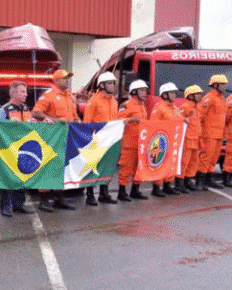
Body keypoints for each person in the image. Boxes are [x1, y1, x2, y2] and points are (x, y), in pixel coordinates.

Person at [32, 69, 80, 211]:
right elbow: (36, 113)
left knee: (62, 167)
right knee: (48, 167)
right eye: (65, 78)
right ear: (57, 80)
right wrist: (56, 120)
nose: (67, 80)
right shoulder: (48, 96)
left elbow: (74, 114)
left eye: (68, 78)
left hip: (67, 138)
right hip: (52, 138)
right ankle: (44, 200)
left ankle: (59, 198)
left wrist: (77, 120)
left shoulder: (70, 96)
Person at [0, 81, 36, 217]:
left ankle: (19, 204)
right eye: (22, 91)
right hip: (9, 148)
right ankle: (5, 206)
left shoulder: (25, 108)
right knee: (8, 178)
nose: (26, 94)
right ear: (13, 93)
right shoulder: (4, 109)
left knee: (22, 176)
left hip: (24, 148)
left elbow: (30, 125)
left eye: (25, 91)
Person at [82, 72, 119, 205]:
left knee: (107, 166)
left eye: (113, 83)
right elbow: (87, 121)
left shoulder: (114, 102)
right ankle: (90, 195)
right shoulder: (94, 101)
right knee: (93, 167)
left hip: (110, 140)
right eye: (109, 83)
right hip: (97, 140)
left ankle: (104, 193)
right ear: (102, 85)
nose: (112, 86)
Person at [116, 79, 149, 202]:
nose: (145, 92)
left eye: (145, 90)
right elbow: (118, 121)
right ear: (134, 92)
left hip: (141, 143)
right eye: (142, 90)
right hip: (129, 143)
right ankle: (122, 191)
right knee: (125, 168)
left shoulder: (142, 107)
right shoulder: (126, 105)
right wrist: (131, 120)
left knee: (138, 168)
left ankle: (135, 190)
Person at [149, 82, 183, 197]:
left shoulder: (175, 108)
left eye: (174, 92)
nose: (174, 95)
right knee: (160, 163)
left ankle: (168, 184)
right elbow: (154, 125)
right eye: (172, 93)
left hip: (173, 140)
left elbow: (179, 120)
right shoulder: (159, 108)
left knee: (170, 162)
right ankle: (156, 186)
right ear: (164, 94)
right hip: (162, 141)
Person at [197, 74, 228, 189]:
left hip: (219, 134)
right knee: (206, 157)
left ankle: (208, 179)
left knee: (214, 158)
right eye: (223, 84)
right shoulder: (209, 98)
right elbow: (200, 115)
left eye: (225, 84)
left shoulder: (221, 98)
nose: (225, 86)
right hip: (209, 133)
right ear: (216, 85)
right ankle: (200, 181)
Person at [179, 85, 204, 191]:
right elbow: (178, 120)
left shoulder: (197, 108)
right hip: (187, 140)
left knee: (193, 162)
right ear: (191, 96)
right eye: (197, 94)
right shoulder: (185, 107)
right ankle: (179, 184)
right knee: (184, 162)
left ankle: (188, 182)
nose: (200, 96)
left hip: (196, 139)